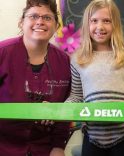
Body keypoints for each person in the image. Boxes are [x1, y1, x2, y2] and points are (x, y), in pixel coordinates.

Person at [65, 0, 124, 156]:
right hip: (92, 136)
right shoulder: (78, 59)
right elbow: (76, 96)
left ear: (115, 25)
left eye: (106, 21)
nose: (100, 27)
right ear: (87, 24)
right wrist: (59, 111)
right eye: (94, 21)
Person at [0, 0, 71, 155]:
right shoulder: (2, 52)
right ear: (21, 23)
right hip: (4, 146)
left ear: (56, 26)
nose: (40, 22)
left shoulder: (65, 61)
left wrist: (58, 147)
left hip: (44, 148)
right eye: (33, 16)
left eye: (47, 18)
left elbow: (67, 107)